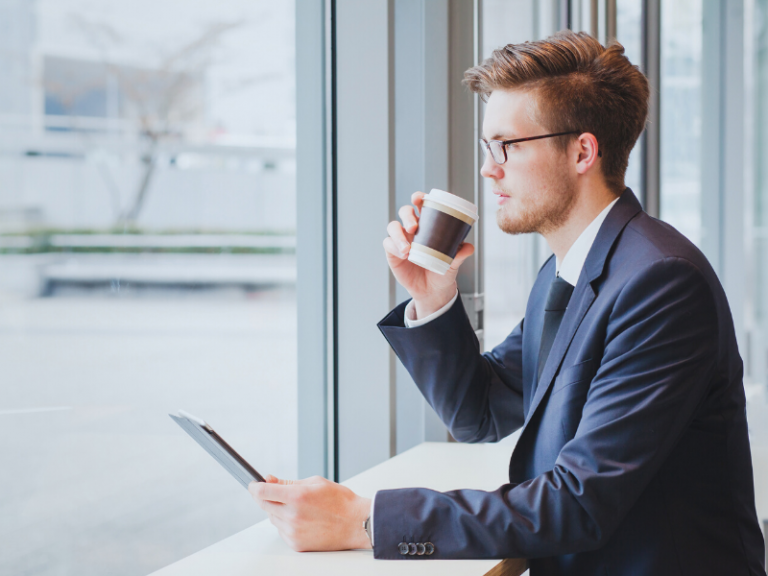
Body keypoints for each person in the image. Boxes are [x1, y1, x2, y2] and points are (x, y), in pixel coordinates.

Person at [250, 31, 767, 575]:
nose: (487, 169)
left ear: (582, 151)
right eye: (486, 147)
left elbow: (578, 502)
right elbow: (483, 412)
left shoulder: (661, 283)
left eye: (506, 146)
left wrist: (365, 520)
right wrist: (433, 298)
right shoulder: (567, 273)